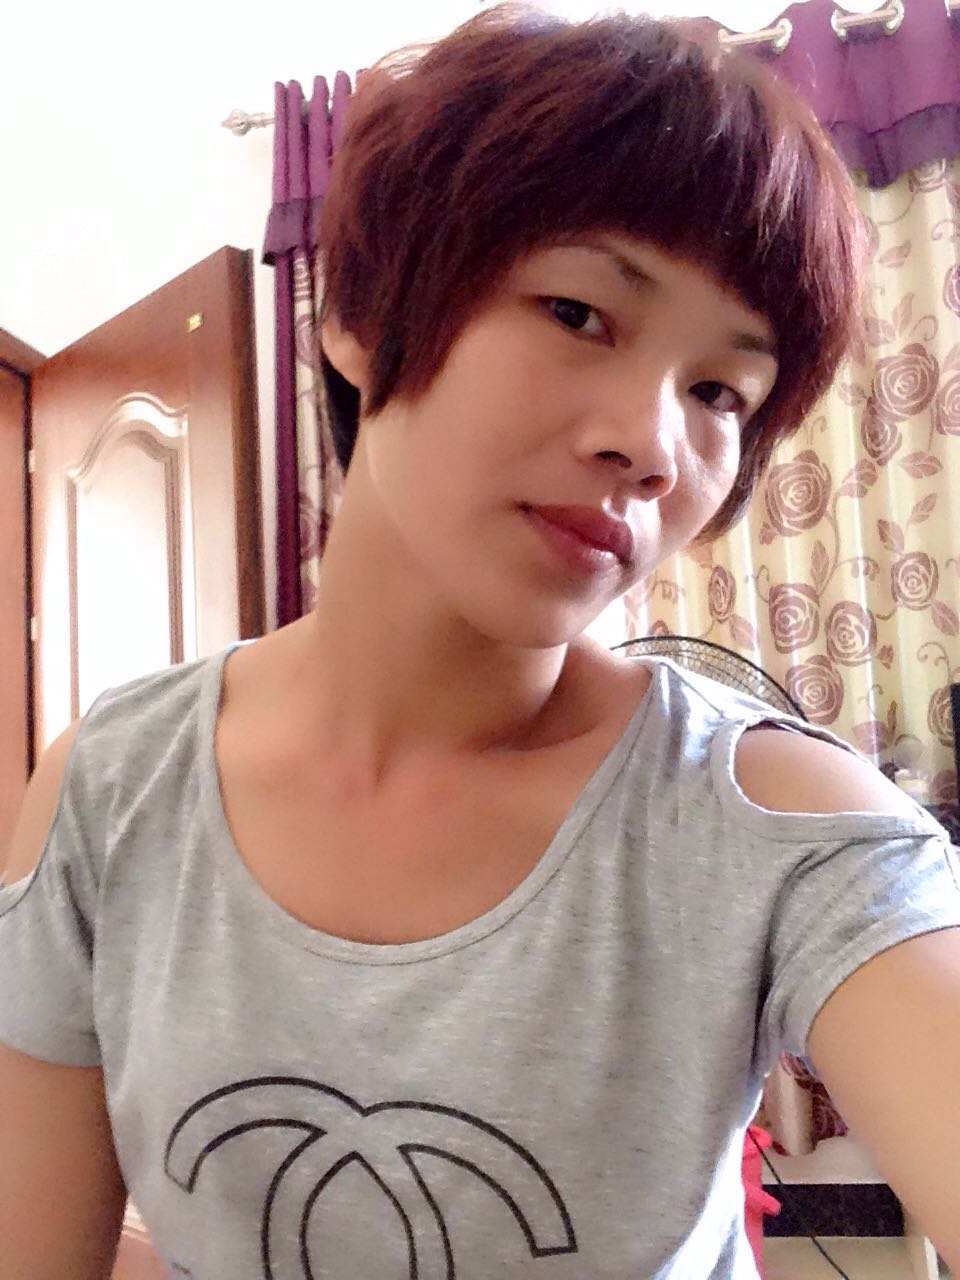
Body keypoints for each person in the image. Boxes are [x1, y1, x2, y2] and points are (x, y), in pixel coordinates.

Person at [2, 4, 959, 1277]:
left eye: (718, 390)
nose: (653, 445)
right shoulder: (111, 788)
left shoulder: (775, 821)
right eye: (577, 310)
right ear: (358, 311)